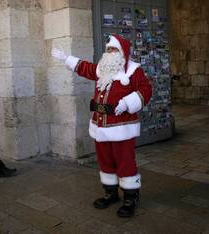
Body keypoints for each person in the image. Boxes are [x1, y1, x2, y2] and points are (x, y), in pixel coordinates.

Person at [52, 34, 152, 217]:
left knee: (125, 162)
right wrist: (67, 59)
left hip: (122, 127)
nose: (109, 52)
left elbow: (146, 90)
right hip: (100, 126)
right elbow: (86, 68)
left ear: (121, 52)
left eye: (113, 49)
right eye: (107, 50)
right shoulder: (102, 68)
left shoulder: (133, 70)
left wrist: (127, 103)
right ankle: (111, 193)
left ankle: (130, 197)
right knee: (105, 161)